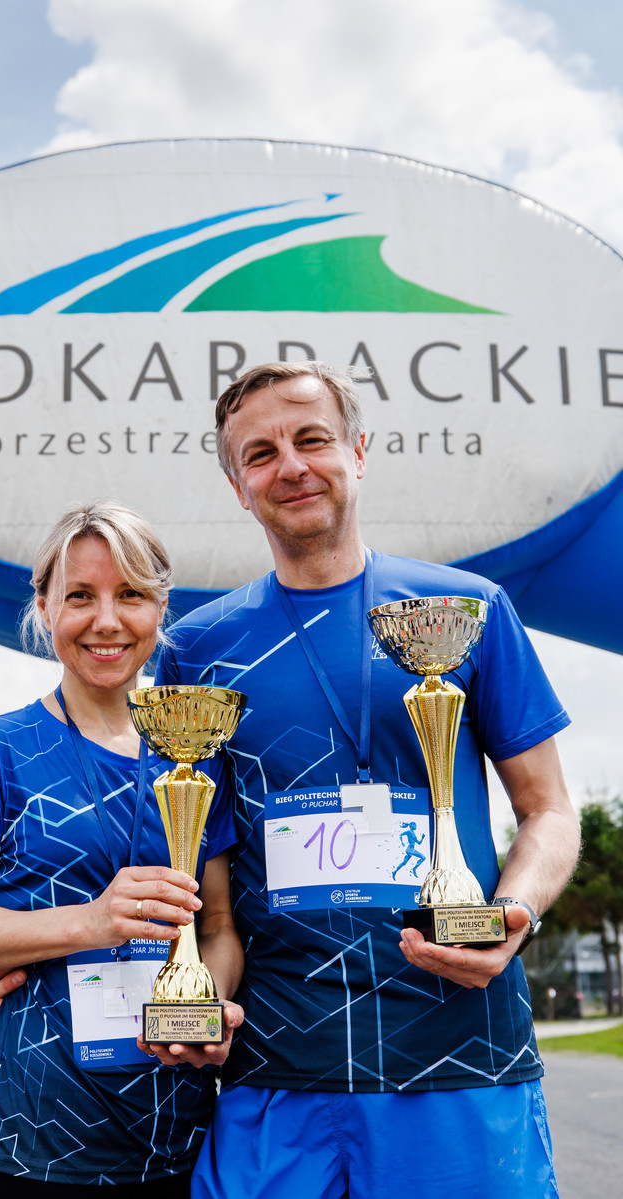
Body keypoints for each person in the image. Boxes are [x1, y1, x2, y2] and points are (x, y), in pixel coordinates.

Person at [148, 362, 579, 1198]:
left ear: (358, 451)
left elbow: (549, 810)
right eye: (260, 453)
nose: (291, 466)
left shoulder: (468, 610)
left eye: (312, 439)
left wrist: (514, 912)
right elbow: (202, 882)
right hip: (276, 1066)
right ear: (238, 486)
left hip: (458, 1052)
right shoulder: (196, 650)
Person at [0, 500, 244, 1197]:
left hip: (172, 1144)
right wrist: (90, 922)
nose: (107, 621)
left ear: (161, 607)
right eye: (81, 596)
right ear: (45, 607)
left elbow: (216, 926)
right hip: (25, 1146)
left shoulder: (199, 753)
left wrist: (203, 1007)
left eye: (131, 594)